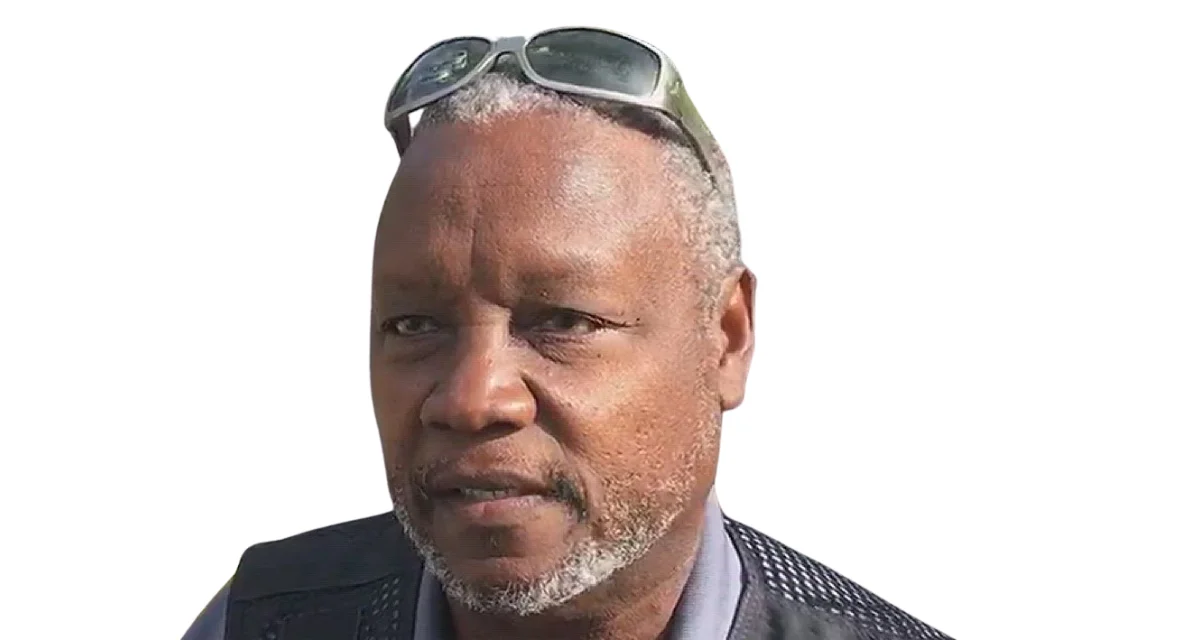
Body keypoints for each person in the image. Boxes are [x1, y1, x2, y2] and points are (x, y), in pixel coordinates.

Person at [183, 27, 954, 640]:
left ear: (725, 338)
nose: (473, 398)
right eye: (414, 324)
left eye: (563, 322)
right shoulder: (263, 620)